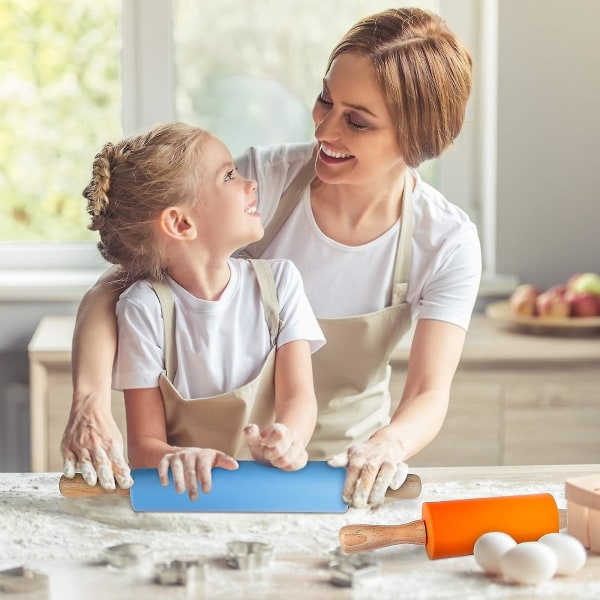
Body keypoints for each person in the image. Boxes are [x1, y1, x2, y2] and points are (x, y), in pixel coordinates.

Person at [61, 7, 481, 508]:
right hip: (227, 472)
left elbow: (428, 394)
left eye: (357, 122)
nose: (324, 131)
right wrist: (89, 398)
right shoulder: (267, 182)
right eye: (325, 99)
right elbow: (118, 284)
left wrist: (387, 446)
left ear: (418, 140)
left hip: (343, 474)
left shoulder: (445, 241)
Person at [70, 122, 324, 500]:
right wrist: (179, 457)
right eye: (229, 175)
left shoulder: (280, 283)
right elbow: (144, 445)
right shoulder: (144, 309)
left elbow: (299, 398)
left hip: (271, 491)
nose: (250, 183)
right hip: (186, 497)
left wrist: (290, 438)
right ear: (181, 222)